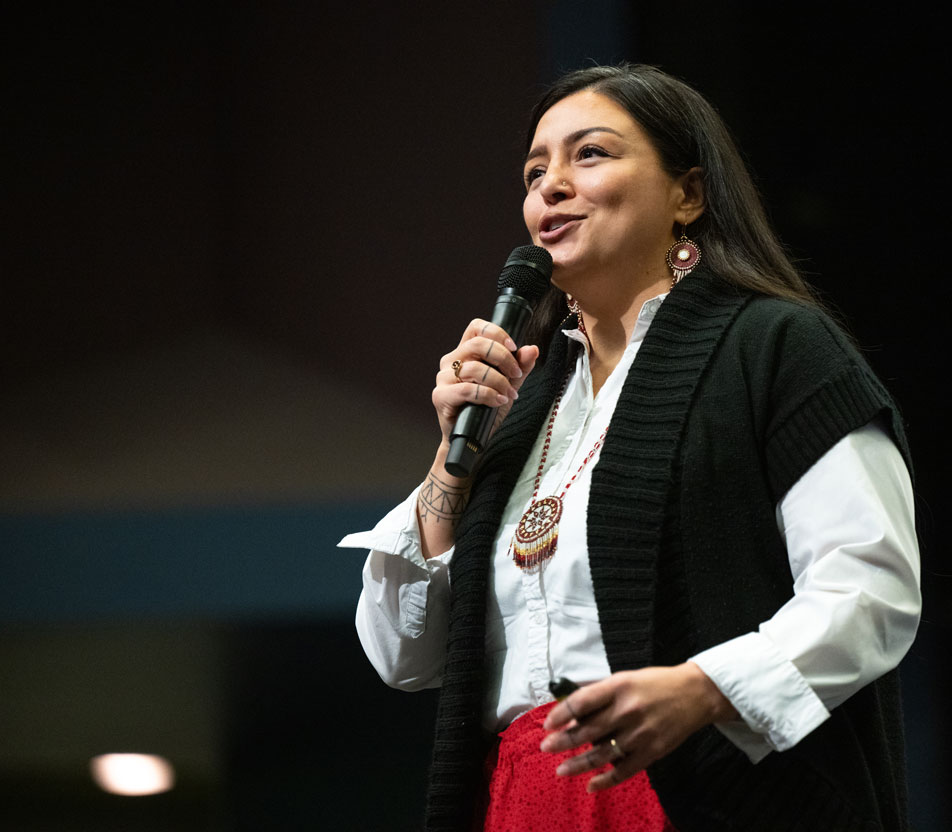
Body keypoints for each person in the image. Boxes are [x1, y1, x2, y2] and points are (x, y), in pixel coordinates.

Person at [340, 63, 921, 832]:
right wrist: (455, 457)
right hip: (520, 806)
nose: (550, 186)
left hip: (696, 793)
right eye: (534, 170)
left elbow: (870, 589)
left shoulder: (776, 347)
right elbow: (403, 658)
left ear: (688, 194)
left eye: (590, 154)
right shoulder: (523, 406)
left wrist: (704, 689)